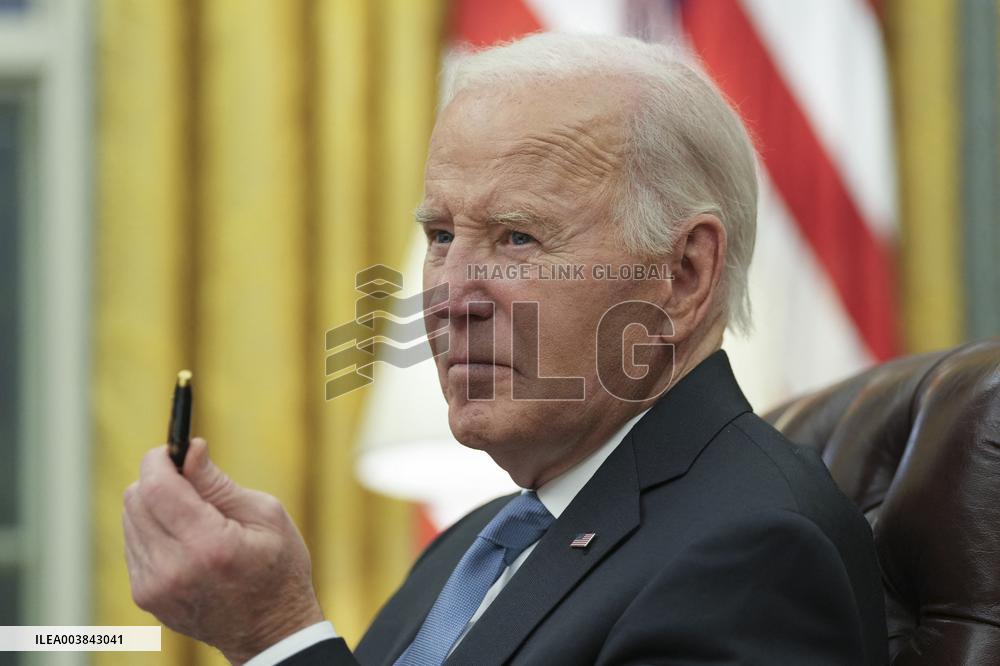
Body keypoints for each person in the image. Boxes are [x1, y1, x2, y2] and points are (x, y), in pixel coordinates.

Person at [123, 33, 888, 665]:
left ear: (683, 276)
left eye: (517, 237)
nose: (450, 296)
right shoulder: (475, 542)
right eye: (441, 236)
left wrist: (276, 634)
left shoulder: (752, 554)